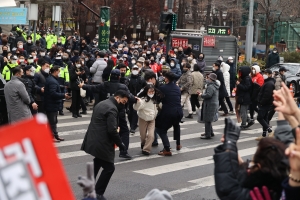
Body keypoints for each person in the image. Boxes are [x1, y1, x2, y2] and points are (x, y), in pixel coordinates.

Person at [214, 118, 288, 200]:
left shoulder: (255, 192)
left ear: (259, 167)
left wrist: (229, 145)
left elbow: (228, 188)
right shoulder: (283, 184)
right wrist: (232, 150)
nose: (249, 164)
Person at [80, 90, 127, 200]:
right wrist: (120, 143)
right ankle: (98, 193)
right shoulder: (112, 108)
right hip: (102, 141)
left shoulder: (102, 103)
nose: (123, 104)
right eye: (123, 102)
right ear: (118, 98)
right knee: (109, 168)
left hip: (93, 138)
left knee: (97, 162)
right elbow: (111, 130)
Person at [79, 69, 135, 159]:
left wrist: (83, 86)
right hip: (119, 113)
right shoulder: (122, 86)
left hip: (106, 111)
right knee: (124, 131)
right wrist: (137, 99)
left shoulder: (105, 84)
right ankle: (123, 151)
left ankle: (104, 149)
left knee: (107, 130)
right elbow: (130, 97)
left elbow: (93, 88)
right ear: (119, 77)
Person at [155, 72, 183, 156]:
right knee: (176, 125)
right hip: (179, 111)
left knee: (161, 130)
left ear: (166, 78)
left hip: (168, 112)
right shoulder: (177, 88)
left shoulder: (163, 88)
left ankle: (167, 149)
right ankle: (178, 144)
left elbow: (158, 99)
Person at [134, 84, 162, 155]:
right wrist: (138, 102)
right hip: (143, 118)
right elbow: (136, 108)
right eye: (150, 91)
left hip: (152, 119)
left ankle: (146, 149)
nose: (152, 93)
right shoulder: (142, 99)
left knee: (151, 135)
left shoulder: (155, 98)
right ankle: (143, 143)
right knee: (143, 135)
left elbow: (157, 106)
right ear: (146, 91)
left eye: (153, 91)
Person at [44, 66, 70, 142]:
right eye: (59, 71)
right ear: (55, 71)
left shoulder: (51, 79)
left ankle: (55, 135)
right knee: (52, 122)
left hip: (51, 104)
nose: (60, 73)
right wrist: (63, 95)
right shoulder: (52, 81)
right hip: (51, 104)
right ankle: (51, 137)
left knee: (53, 121)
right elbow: (53, 93)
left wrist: (61, 87)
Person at [199, 73, 219, 139]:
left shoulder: (211, 86)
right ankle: (210, 132)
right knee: (209, 119)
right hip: (213, 103)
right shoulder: (214, 85)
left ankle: (208, 134)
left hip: (210, 104)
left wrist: (201, 95)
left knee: (207, 120)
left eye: (208, 78)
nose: (207, 79)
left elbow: (208, 95)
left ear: (211, 79)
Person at [128, 65, 146, 134]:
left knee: (135, 112)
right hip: (130, 97)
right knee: (130, 113)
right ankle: (133, 125)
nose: (135, 70)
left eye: (136, 69)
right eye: (134, 69)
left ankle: (133, 127)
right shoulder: (128, 78)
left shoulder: (141, 79)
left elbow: (145, 87)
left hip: (138, 97)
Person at [256, 69, 275, 139]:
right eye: (264, 73)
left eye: (266, 73)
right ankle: (264, 134)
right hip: (266, 103)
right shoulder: (267, 82)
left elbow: (267, 95)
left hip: (265, 103)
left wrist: (261, 102)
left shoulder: (269, 84)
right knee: (265, 118)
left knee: (260, 118)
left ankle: (269, 130)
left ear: (270, 74)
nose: (264, 75)